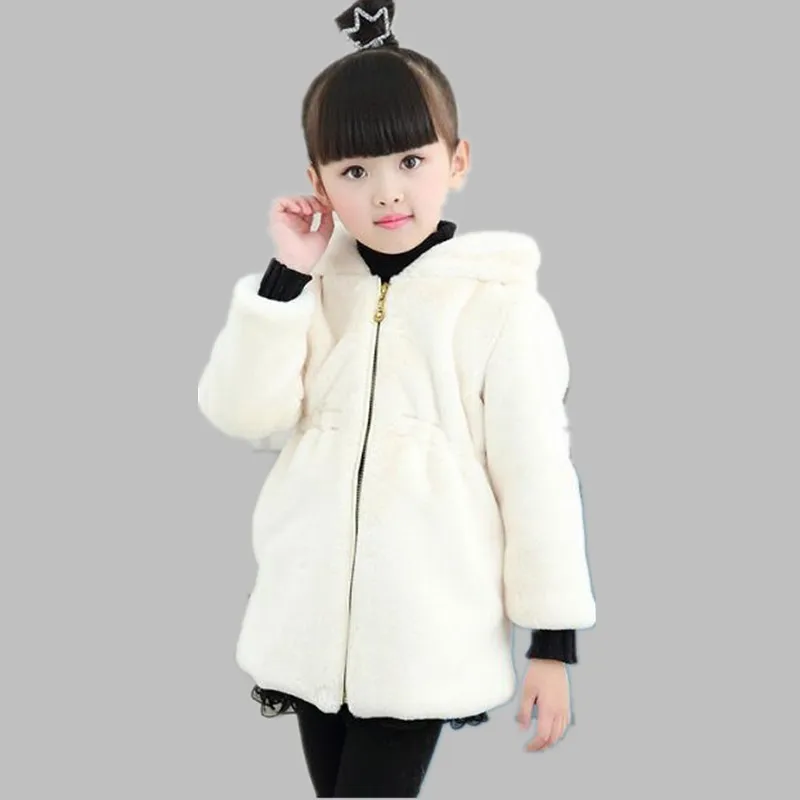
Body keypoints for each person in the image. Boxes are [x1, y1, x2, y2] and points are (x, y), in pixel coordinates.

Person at [196, 1, 596, 796]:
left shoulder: (499, 306)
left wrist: (552, 644)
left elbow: (538, 478)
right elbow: (244, 415)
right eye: (354, 172)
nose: (387, 193)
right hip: (307, 628)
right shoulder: (313, 291)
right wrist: (287, 279)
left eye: (411, 161)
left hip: (425, 637)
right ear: (317, 182)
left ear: (458, 159)